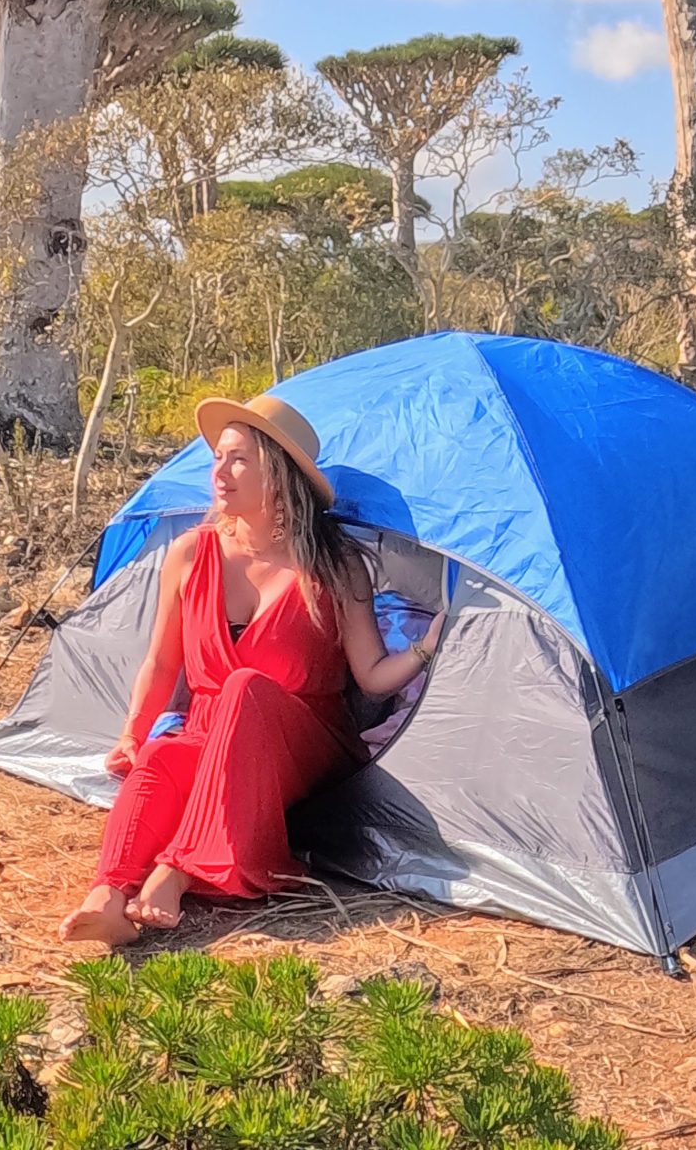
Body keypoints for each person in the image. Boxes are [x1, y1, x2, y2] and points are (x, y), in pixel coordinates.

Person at [58, 393, 444, 946]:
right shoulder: (190, 554)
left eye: (238, 459)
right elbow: (162, 661)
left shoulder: (334, 565)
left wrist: (425, 649)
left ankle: (177, 870)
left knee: (243, 687)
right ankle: (109, 893)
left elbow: (371, 676)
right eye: (217, 457)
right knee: (164, 754)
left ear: (280, 475)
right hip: (210, 732)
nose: (219, 472)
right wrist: (132, 735)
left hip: (304, 738)